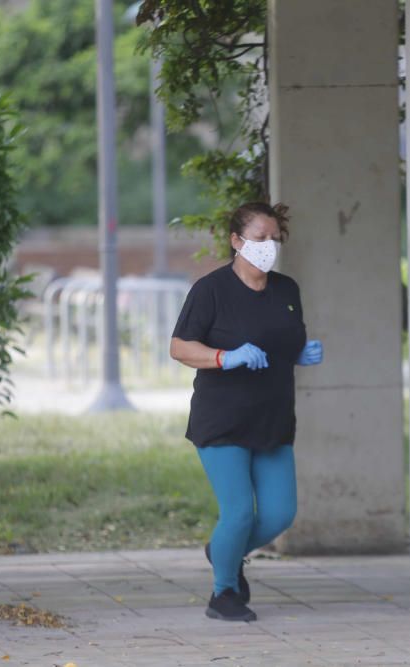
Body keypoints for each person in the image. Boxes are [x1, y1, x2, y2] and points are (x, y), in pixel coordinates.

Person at [169, 202, 324, 622]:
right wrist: (224, 357)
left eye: (274, 238)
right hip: (222, 419)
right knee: (238, 513)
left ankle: (224, 549)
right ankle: (224, 593)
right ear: (237, 242)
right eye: (259, 238)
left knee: (279, 514)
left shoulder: (287, 290)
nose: (268, 246)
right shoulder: (211, 290)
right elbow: (180, 347)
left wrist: (300, 354)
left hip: (272, 417)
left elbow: (284, 342)